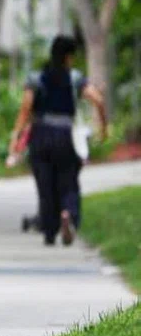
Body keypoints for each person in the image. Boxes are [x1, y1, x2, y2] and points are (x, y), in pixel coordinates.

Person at [9, 36, 107, 246]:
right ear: (69, 57)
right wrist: (103, 127)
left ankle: (49, 230)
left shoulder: (36, 78)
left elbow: (26, 108)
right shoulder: (74, 78)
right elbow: (97, 99)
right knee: (69, 180)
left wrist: (16, 137)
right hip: (65, 134)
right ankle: (68, 214)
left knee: (45, 184)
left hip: (40, 134)